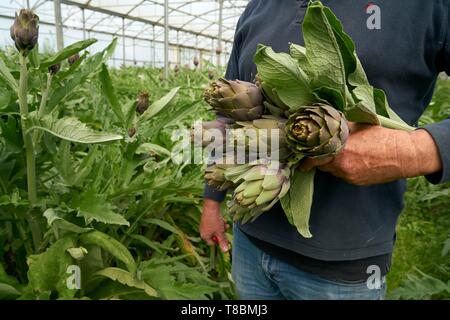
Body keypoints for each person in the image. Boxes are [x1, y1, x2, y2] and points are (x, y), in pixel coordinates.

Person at [200, 0, 449, 300]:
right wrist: (212, 202)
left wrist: (415, 150)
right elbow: (226, 119)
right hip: (249, 239)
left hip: (344, 266)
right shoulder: (257, 6)